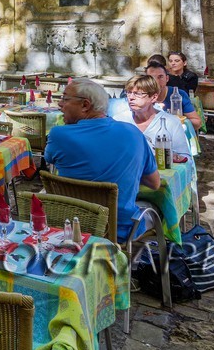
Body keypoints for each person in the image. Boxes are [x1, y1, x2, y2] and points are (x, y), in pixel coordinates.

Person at [41, 78, 161, 240]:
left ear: (85, 105)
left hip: (70, 227)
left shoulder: (58, 135)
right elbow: (154, 183)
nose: (60, 105)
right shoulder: (133, 133)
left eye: (65, 99)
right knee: (157, 208)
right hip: (120, 232)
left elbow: (52, 159)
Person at [124, 75, 191, 161]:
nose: (131, 98)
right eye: (129, 92)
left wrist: (170, 156)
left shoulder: (170, 123)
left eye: (138, 94)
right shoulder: (119, 120)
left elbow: (186, 159)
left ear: (154, 97)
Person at [144, 61, 202, 129]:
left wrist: (180, 122)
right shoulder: (140, 96)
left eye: (160, 77)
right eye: (151, 78)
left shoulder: (179, 95)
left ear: (167, 78)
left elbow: (197, 122)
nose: (156, 81)